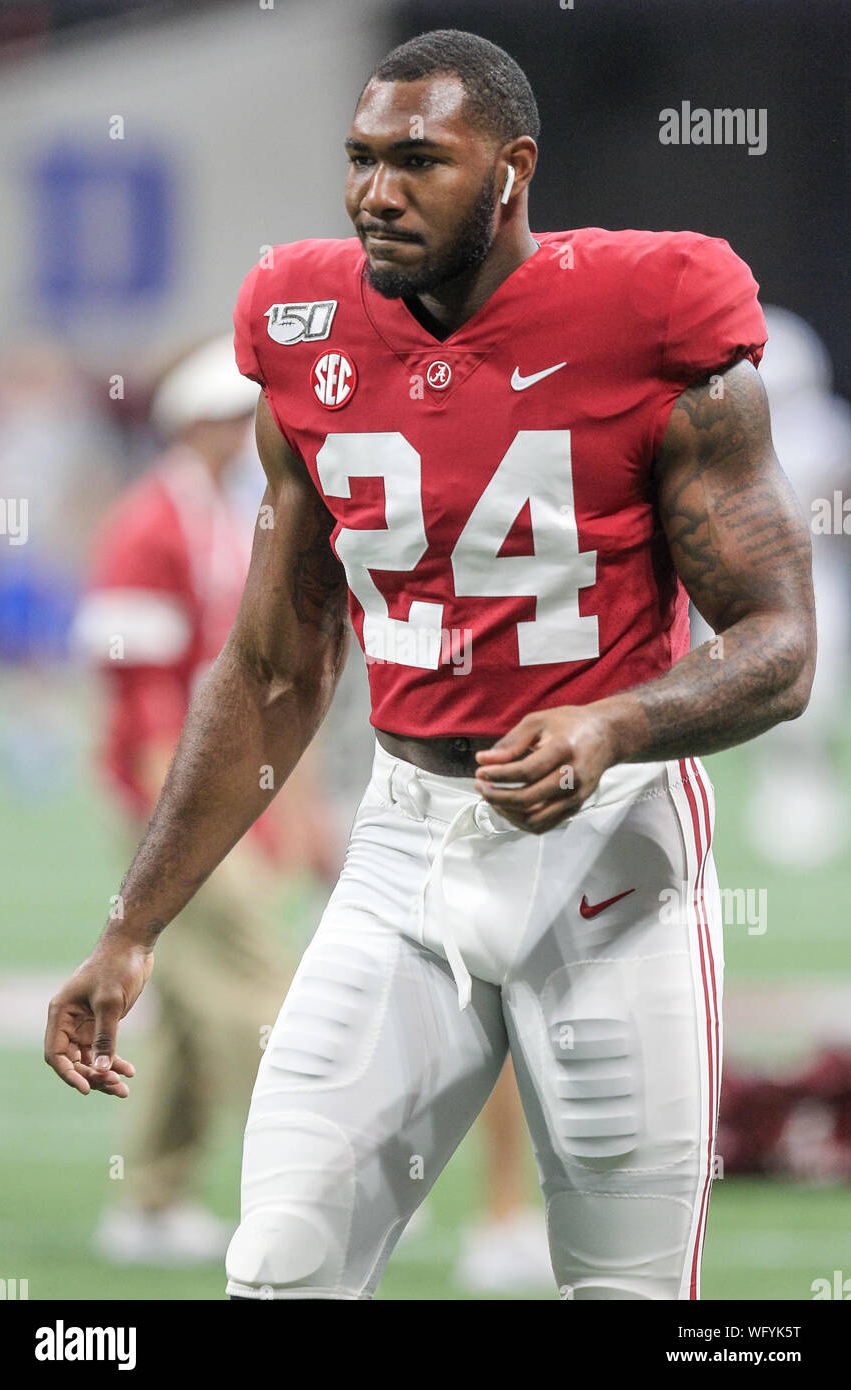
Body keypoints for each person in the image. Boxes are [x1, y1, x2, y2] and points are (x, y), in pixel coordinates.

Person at [45, 29, 815, 1301]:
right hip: (404, 845)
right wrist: (132, 926)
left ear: (510, 171)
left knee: (623, 1295)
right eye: (358, 160)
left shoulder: (655, 310)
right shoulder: (302, 328)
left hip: (610, 855)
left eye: (418, 160)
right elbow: (274, 663)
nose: (374, 192)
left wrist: (614, 725)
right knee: (279, 1269)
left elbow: (778, 641)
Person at [72, 336, 338, 1263]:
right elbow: (140, 701)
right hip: (172, 799)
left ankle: (146, 1203)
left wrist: (286, 810)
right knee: (261, 985)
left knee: (187, 1005)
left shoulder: (228, 516)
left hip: (214, 792)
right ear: (195, 425)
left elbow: (266, 680)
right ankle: (321, 1191)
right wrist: (180, 824)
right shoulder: (149, 525)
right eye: (232, 416)